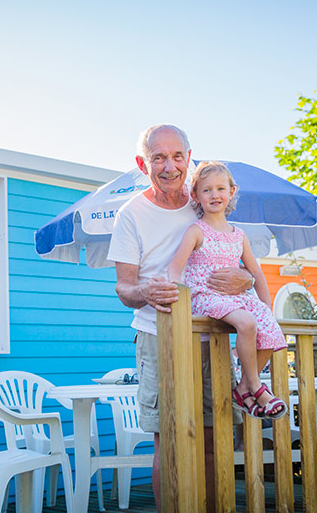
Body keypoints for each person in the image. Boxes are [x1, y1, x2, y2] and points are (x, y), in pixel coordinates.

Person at [107, 124, 252, 512]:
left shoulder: (205, 200)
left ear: (190, 159)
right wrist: (145, 292)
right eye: (158, 157)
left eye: (176, 156)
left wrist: (247, 277)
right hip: (158, 336)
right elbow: (124, 289)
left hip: (212, 337)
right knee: (168, 438)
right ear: (143, 163)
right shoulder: (130, 214)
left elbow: (236, 257)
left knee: (214, 434)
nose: (169, 166)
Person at [168, 161, 288, 419]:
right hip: (206, 296)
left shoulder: (239, 235)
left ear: (232, 192)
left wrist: (266, 307)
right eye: (207, 190)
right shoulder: (196, 231)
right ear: (196, 195)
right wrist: (178, 296)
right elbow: (175, 268)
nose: (214, 195)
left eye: (220, 188)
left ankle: (244, 384)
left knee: (269, 327)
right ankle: (256, 386)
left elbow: (256, 273)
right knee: (247, 323)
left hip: (237, 298)